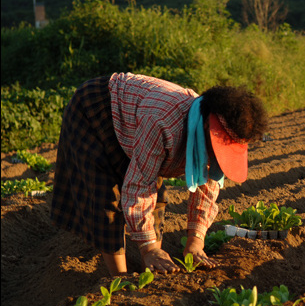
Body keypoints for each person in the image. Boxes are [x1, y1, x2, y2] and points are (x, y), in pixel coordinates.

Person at [50, 72, 268, 276]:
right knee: (108, 199)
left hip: (134, 122)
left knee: (158, 197)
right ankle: (120, 278)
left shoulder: (203, 130)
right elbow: (139, 185)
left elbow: (207, 184)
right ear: (205, 128)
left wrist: (195, 241)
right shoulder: (163, 122)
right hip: (95, 111)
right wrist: (148, 248)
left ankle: (153, 265)